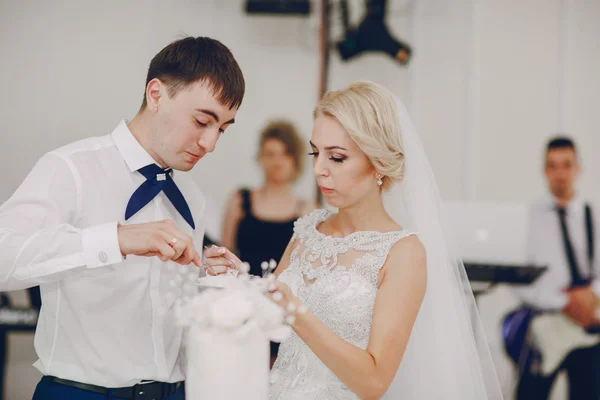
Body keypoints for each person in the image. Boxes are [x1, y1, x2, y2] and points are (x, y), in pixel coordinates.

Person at [204, 81, 503, 399]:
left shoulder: (403, 253)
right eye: (315, 153)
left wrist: (296, 311)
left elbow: (373, 382)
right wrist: (239, 283)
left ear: (377, 162)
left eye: (336, 157)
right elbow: (266, 320)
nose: (318, 169)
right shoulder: (307, 229)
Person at [0, 36, 244, 400]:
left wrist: (209, 281)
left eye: (222, 129)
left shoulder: (192, 196)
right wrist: (115, 239)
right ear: (156, 94)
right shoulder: (70, 169)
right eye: (202, 121)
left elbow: (164, 310)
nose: (210, 144)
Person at [512, 137, 600, 399]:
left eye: (566, 165)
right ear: (545, 170)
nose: (560, 173)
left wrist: (591, 296)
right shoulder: (528, 218)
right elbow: (518, 279)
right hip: (545, 328)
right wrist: (564, 302)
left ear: (578, 168)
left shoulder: (592, 216)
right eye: (553, 166)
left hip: (587, 330)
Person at [221, 119, 315, 277]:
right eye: (270, 154)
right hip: (240, 293)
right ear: (260, 157)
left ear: (295, 160)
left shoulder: (308, 210)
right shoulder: (239, 200)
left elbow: (307, 268)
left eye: (285, 154)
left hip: (282, 297)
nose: (277, 162)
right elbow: (225, 254)